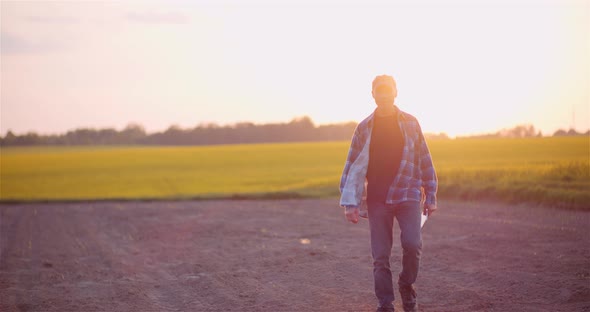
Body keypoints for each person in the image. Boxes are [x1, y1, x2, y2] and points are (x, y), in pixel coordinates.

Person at [339, 74, 438, 312]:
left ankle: (406, 285)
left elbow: (424, 158)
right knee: (380, 256)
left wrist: (431, 195)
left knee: (413, 244)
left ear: (395, 93)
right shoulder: (364, 128)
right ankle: (385, 304)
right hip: (377, 199)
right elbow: (352, 166)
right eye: (379, 91)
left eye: (388, 91)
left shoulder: (411, 123)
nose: (383, 95)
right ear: (373, 94)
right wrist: (350, 203)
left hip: (408, 193)